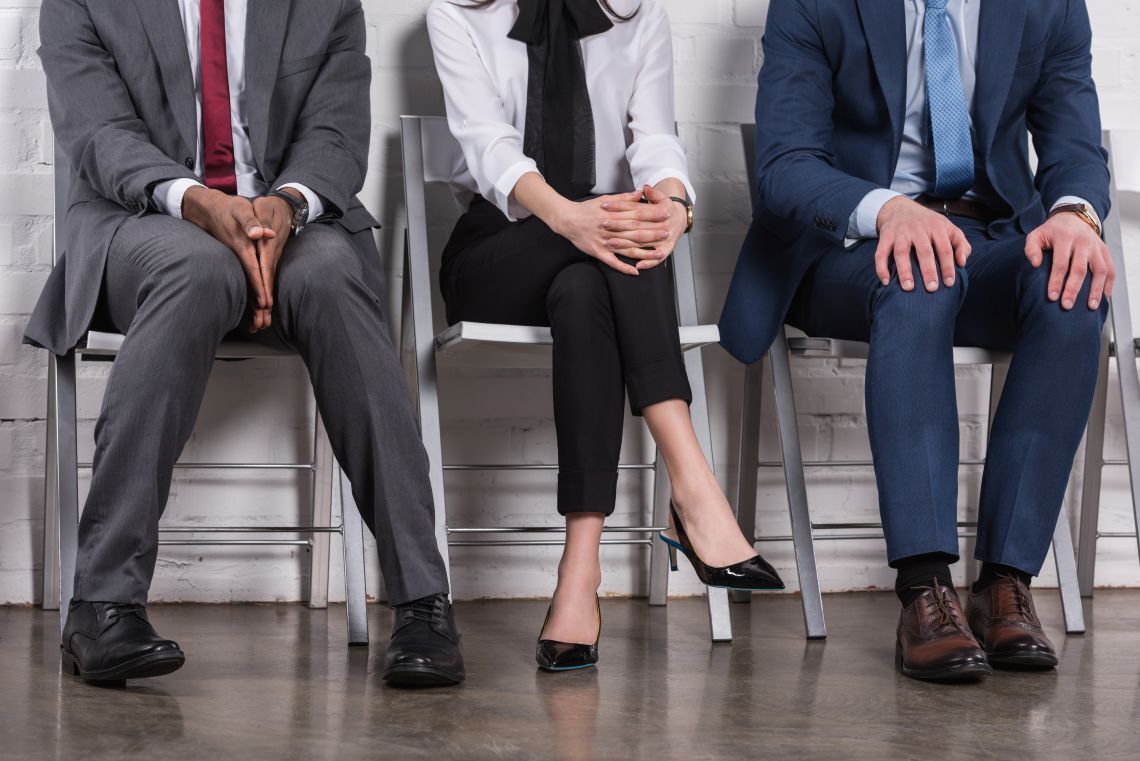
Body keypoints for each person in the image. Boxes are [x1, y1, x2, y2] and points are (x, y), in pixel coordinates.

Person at [30, 0, 464, 687]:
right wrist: (203, 205)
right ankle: (104, 604)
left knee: (330, 274)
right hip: (145, 223)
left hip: (288, 224)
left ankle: (422, 604)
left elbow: (337, 130)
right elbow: (101, 136)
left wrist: (282, 207)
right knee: (196, 268)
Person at [721, 0, 1112, 681]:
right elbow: (785, 163)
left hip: (986, 239)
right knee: (917, 276)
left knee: (1069, 284)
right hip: (850, 243)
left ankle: (1004, 583)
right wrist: (890, 211)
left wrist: (1076, 215)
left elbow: (1074, 145)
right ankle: (924, 589)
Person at [427, 0, 783, 672]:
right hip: (499, 252)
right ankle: (694, 488)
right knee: (619, 233)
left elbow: (653, 139)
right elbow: (488, 145)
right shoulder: (455, 14)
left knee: (607, 261)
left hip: (600, 259)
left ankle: (578, 574)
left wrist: (675, 204)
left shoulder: (636, 13)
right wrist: (573, 218)